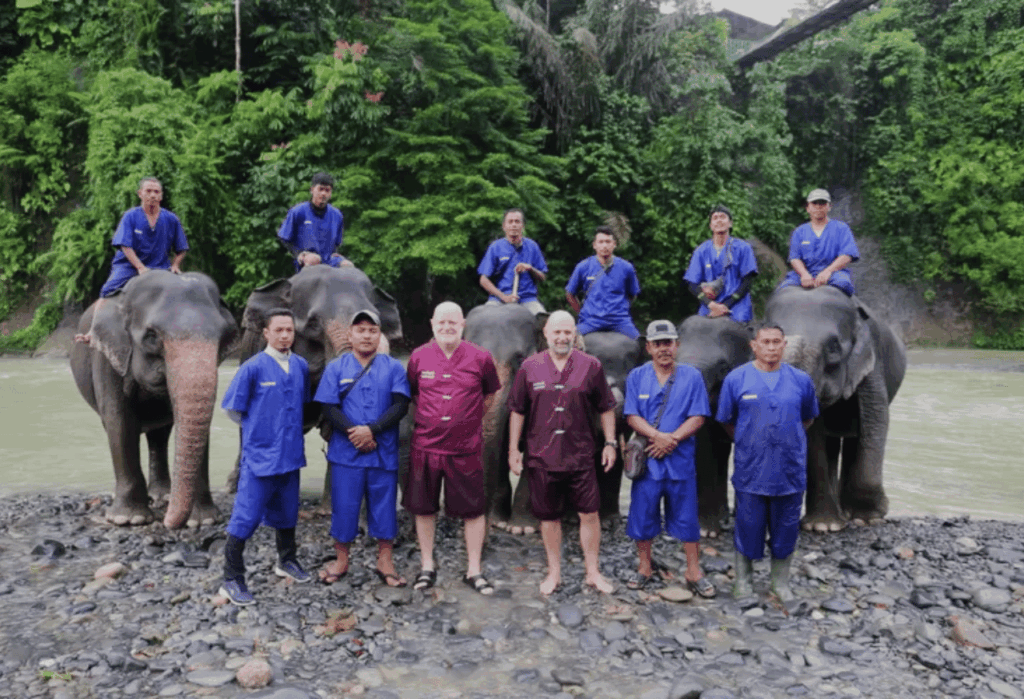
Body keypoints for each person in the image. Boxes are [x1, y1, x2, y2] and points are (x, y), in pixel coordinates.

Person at [507, 310, 618, 595]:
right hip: (541, 457)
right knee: (549, 518)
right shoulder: (529, 367)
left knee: (589, 514)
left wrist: (610, 442)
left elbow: (606, 407)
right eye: (556, 332)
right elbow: (517, 411)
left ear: (575, 334)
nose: (562, 337)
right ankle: (553, 572)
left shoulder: (591, 366)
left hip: (581, 456)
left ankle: (592, 572)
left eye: (567, 332)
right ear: (546, 334)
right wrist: (513, 450)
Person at [715, 323, 819, 601]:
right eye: (766, 342)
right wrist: (751, 438)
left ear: (785, 345)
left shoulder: (801, 380)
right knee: (748, 525)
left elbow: (807, 418)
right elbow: (726, 420)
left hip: (790, 469)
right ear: (754, 346)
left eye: (776, 342)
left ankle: (780, 582)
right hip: (751, 468)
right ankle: (744, 581)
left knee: (786, 527)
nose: (771, 348)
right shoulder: (736, 380)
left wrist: (786, 437)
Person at [404, 302, 502, 594]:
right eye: (442, 322)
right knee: (424, 508)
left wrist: (467, 420)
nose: (447, 327)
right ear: (432, 323)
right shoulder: (419, 356)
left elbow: (490, 395)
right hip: (426, 446)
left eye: (453, 322)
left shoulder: (481, 357)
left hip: (466, 448)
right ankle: (426, 565)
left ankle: (473, 569)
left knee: (474, 510)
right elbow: (413, 394)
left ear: (463, 324)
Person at [219, 309, 312, 606]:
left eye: (289, 330)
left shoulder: (300, 366)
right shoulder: (253, 368)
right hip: (260, 457)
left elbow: (302, 404)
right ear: (266, 333)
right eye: (279, 330)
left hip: (290, 455)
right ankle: (231, 579)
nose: (285, 335)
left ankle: (286, 560)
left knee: (287, 512)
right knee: (245, 517)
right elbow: (233, 409)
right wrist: (258, 432)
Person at [315, 309, 411, 587]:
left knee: (384, 507)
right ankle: (342, 561)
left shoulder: (393, 367)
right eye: (361, 330)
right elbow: (328, 406)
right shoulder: (336, 367)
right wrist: (353, 432)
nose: (366, 335)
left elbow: (400, 405)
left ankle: (385, 561)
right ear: (350, 335)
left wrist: (373, 430)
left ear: (379, 334)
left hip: (383, 450)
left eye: (372, 330)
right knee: (344, 507)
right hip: (346, 453)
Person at [622, 320, 716, 597]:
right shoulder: (637, 376)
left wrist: (672, 439)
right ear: (649, 347)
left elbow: (698, 415)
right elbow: (631, 415)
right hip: (648, 462)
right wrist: (657, 436)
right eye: (658, 344)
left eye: (668, 343)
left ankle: (693, 571)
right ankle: (644, 568)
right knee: (642, 515)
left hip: (680, 459)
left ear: (677, 346)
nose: (664, 349)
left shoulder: (692, 376)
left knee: (687, 518)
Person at [74, 177, 189, 344]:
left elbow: (182, 248)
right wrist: (140, 268)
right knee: (107, 289)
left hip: (160, 268)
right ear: (140, 194)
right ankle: (93, 331)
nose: (152, 195)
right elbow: (125, 245)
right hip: (129, 266)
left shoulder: (171, 219)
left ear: (161, 196)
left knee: (182, 292)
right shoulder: (130, 216)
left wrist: (176, 265)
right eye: (148, 191)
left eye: (156, 192)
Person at [683, 205, 758, 322]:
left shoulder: (743, 248)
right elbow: (692, 284)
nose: (719, 220)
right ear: (710, 225)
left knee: (741, 329)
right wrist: (711, 305)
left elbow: (747, 281)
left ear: (730, 223)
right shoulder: (701, 251)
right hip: (709, 306)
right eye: (715, 218)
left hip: (736, 306)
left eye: (723, 217)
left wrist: (726, 306)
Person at [778, 189, 859, 296]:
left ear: (829, 206)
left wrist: (828, 272)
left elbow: (847, 255)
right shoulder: (799, 232)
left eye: (822, 203)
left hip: (834, 273)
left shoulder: (842, 228)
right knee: (783, 290)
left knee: (843, 284)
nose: (818, 206)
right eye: (814, 203)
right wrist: (804, 274)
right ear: (807, 207)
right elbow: (794, 258)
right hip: (805, 273)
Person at [565, 225, 641, 339]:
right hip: (591, 320)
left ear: (614, 244)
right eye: (601, 242)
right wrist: (581, 313)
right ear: (594, 245)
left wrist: (622, 308)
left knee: (641, 343)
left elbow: (633, 294)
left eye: (608, 241)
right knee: (569, 341)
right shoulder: (583, 266)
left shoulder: (626, 267)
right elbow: (570, 293)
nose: (604, 246)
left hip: (620, 320)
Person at [277, 172, 353, 271]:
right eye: (320, 189)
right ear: (312, 190)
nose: (323, 194)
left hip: (329, 259)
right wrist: (298, 254)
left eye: (327, 190)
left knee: (348, 265)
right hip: (309, 258)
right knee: (314, 260)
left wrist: (335, 254)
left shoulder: (337, 215)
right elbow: (284, 238)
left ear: (331, 193)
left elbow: (337, 243)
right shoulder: (298, 211)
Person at [477, 208, 548, 314]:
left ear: (522, 226)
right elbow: (483, 280)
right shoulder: (495, 247)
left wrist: (531, 268)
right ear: (504, 226)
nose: (514, 225)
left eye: (517, 221)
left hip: (527, 299)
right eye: (510, 222)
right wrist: (503, 297)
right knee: (483, 318)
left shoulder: (532, 246)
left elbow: (543, 277)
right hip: (499, 299)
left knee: (544, 321)